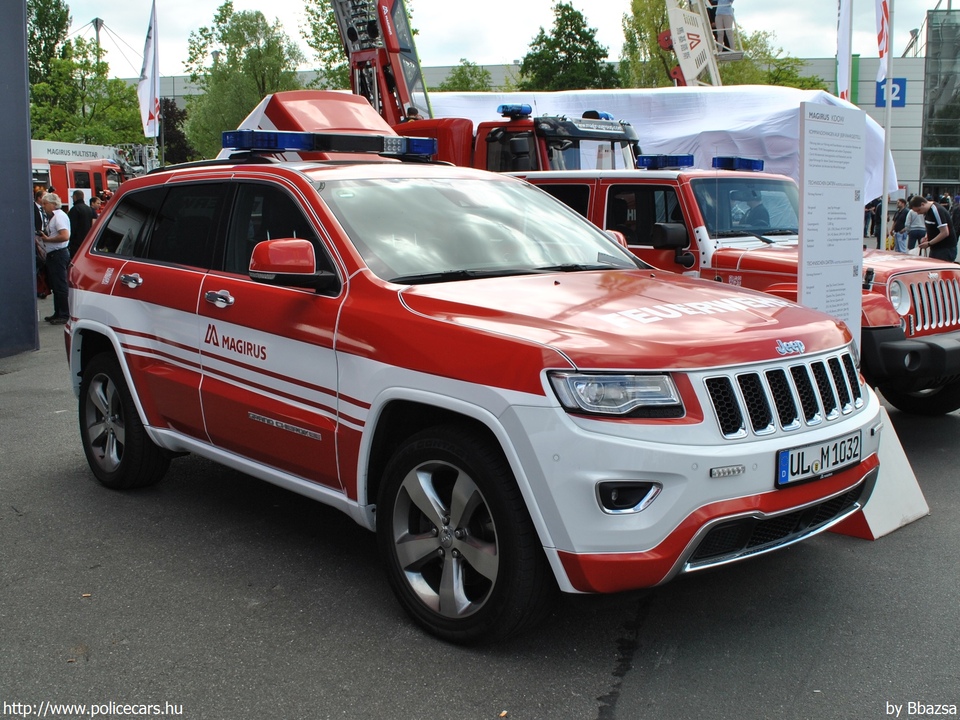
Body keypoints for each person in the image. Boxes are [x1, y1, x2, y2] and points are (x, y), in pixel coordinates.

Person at [38, 192, 71, 324]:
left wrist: (48, 239)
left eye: (45, 204)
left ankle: (63, 314)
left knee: (60, 285)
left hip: (58, 253)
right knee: (56, 285)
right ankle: (58, 312)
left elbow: (65, 236)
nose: (43, 206)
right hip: (54, 254)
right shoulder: (55, 217)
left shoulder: (59, 217)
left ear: (52, 204)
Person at [909, 194, 958, 262]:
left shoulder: (936, 210)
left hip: (945, 248)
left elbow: (945, 232)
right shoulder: (926, 212)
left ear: (923, 204)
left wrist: (929, 243)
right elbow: (931, 227)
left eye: (918, 210)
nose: (918, 213)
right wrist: (927, 237)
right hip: (935, 248)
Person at [68, 190, 96, 257]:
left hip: (76, 242)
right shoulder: (89, 209)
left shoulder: (74, 209)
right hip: (86, 240)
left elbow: (72, 227)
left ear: (75, 197)